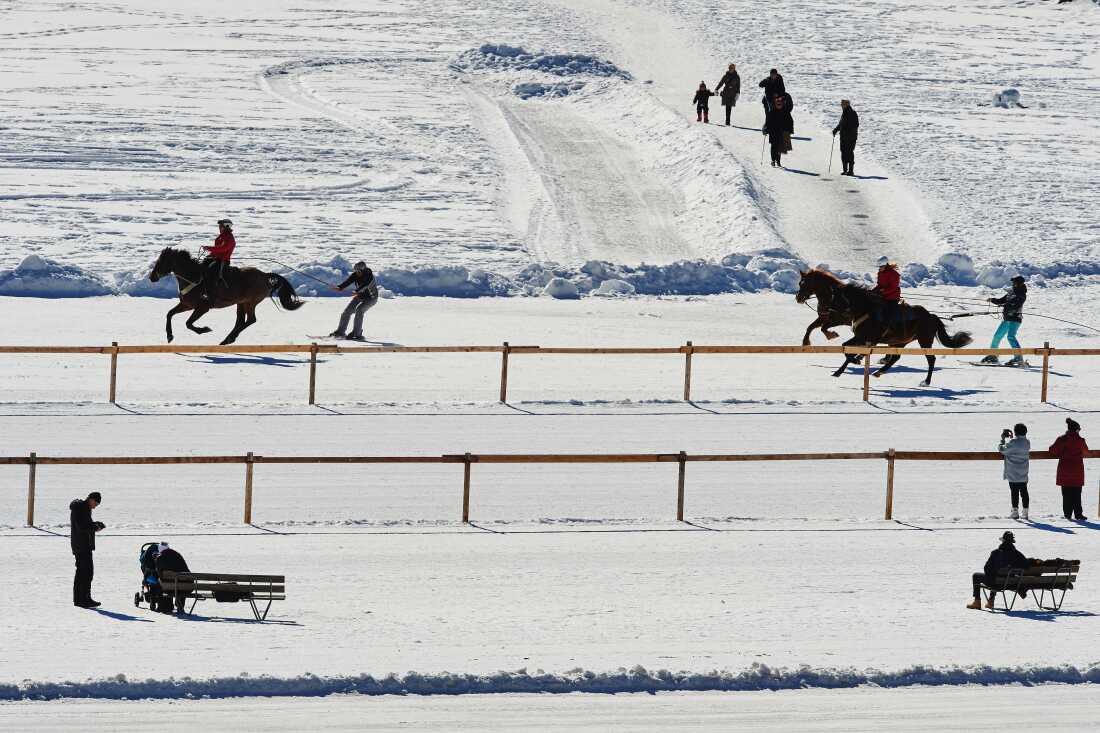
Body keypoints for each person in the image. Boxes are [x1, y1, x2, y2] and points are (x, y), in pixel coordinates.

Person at [967, 531, 1031, 609]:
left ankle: (978, 602)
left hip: (995, 583)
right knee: (996, 576)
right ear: (1012, 542)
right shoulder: (1017, 554)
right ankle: (990, 601)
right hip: (1010, 583)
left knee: (976, 576)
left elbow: (986, 568)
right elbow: (1027, 566)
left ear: (1003, 541)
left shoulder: (995, 553)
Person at [981, 275, 1028, 366]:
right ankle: (993, 355)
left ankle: (1018, 358)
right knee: (997, 336)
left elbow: (1016, 305)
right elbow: (1002, 300)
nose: (1013, 283)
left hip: (1015, 319)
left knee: (1010, 337)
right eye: (1013, 282)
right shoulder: (1011, 292)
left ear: (1019, 284)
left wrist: (1006, 306)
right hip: (1007, 319)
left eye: (1014, 282)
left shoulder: (1021, 294)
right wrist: (992, 300)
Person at [70, 491, 105, 608]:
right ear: (90, 499)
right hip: (81, 546)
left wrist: (96, 524)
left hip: (84, 545)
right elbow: (82, 526)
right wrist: (95, 527)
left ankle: (84, 598)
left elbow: (85, 524)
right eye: (96, 503)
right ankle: (81, 599)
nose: (95, 506)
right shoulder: (80, 508)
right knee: (83, 572)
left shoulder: (84, 508)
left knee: (87, 572)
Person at [1049, 418, 1088, 521]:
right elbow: (1086, 451)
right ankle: (1078, 514)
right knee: (1077, 493)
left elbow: (1052, 450)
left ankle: (1067, 514)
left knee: (1066, 494)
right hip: (1077, 471)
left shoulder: (1062, 439)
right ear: (1076, 430)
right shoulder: (1080, 440)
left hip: (1064, 470)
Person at [330, 261, 379, 341]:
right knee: (347, 311)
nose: (357, 273)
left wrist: (357, 291)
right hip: (360, 296)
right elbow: (348, 281)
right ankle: (340, 332)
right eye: (355, 271)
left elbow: (365, 285)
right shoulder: (355, 274)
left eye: (358, 271)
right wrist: (340, 287)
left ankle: (357, 333)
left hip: (371, 298)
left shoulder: (369, 276)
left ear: (362, 270)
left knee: (359, 310)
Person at [998, 423, 1030, 520]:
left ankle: (1015, 511)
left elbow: (1002, 449)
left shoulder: (1013, 443)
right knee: (1024, 491)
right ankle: (1025, 511)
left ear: (1015, 432)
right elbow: (1018, 444)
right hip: (1023, 472)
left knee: (1014, 492)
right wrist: (1012, 439)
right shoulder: (1027, 442)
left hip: (1013, 472)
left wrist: (1003, 440)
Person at [201, 219, 236, 300]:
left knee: (212, 272)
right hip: (215, 258)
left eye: (221, 226)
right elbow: (217, 250)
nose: (219, 228)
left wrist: (209, 248)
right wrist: (209, 255)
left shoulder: (229, 237)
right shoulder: (221, 236)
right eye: (219, 226)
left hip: (223, 261)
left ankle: (211, 294)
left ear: (226, 227)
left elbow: (223, 248)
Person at [154, 543, 191, 614]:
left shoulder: (160, 558)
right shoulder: (178, 555)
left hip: (170, 587)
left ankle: (163, 607)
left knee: (159, 583)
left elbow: (160, 575)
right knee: (181, 584)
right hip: (187, 587)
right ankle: (180, 606)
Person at [762, 93, 793, 167]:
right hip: (773, 132)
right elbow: (768, 122)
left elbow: (790, 121)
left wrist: (790, 130)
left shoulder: (786, 112)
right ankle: (773, 160)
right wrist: (766, 129)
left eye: (780, 103)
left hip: (782, 132)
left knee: (780, 147)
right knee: (774, 146)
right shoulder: (771, 112)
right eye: (777, 103)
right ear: (775, 104)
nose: (779, 105)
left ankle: (778, 161)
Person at [871, 256, 902, 327]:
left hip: (892, 297)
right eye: (879, 267)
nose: (879, 268)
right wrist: (872, 291)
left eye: (881, 266)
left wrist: (882, 291)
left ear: (885, 265)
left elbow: (893, 287)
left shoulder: (894, 274)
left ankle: (891, 328)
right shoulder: (880, 273)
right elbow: (879, 285)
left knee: (889, 312)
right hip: (882, 296)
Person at [832, 99, 859, 176]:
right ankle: (845, 170)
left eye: (842, 104)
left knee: (849, 152)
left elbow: (856, 125)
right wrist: (836, 130)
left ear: (846, 104)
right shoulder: (844, 112)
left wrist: (847, 131)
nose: (841, 105)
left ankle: (851, 171)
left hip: (850, 137)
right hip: (844, 137)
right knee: (843, 152)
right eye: (841, 104)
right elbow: (841, 124)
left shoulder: (852, 113)